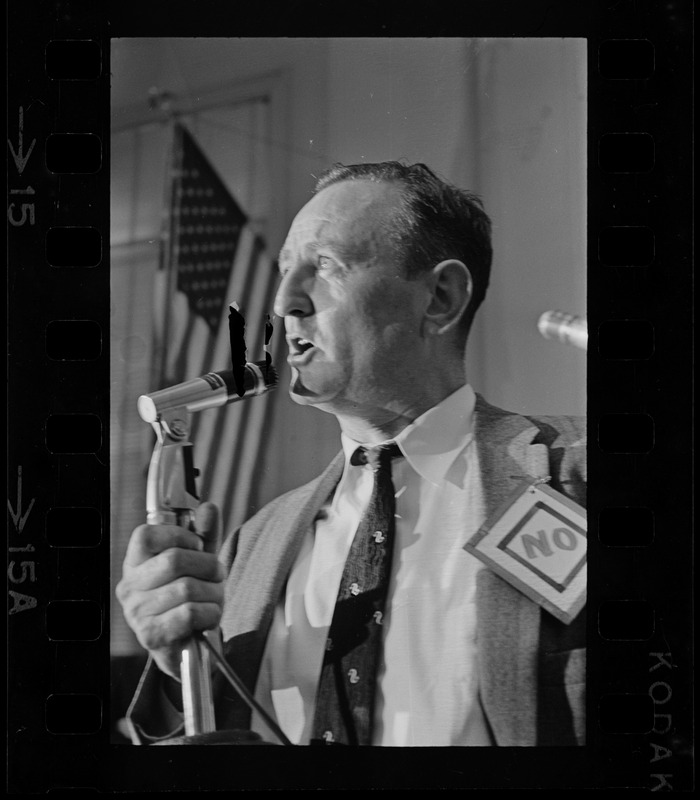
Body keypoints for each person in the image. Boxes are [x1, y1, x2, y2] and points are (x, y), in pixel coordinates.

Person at [117, 161, 586, 747]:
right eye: (286, 269)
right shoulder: (254, 543)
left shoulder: (579, 476)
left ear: (440, 297)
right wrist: (172, 664)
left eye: (326, 266)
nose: (285, 300)